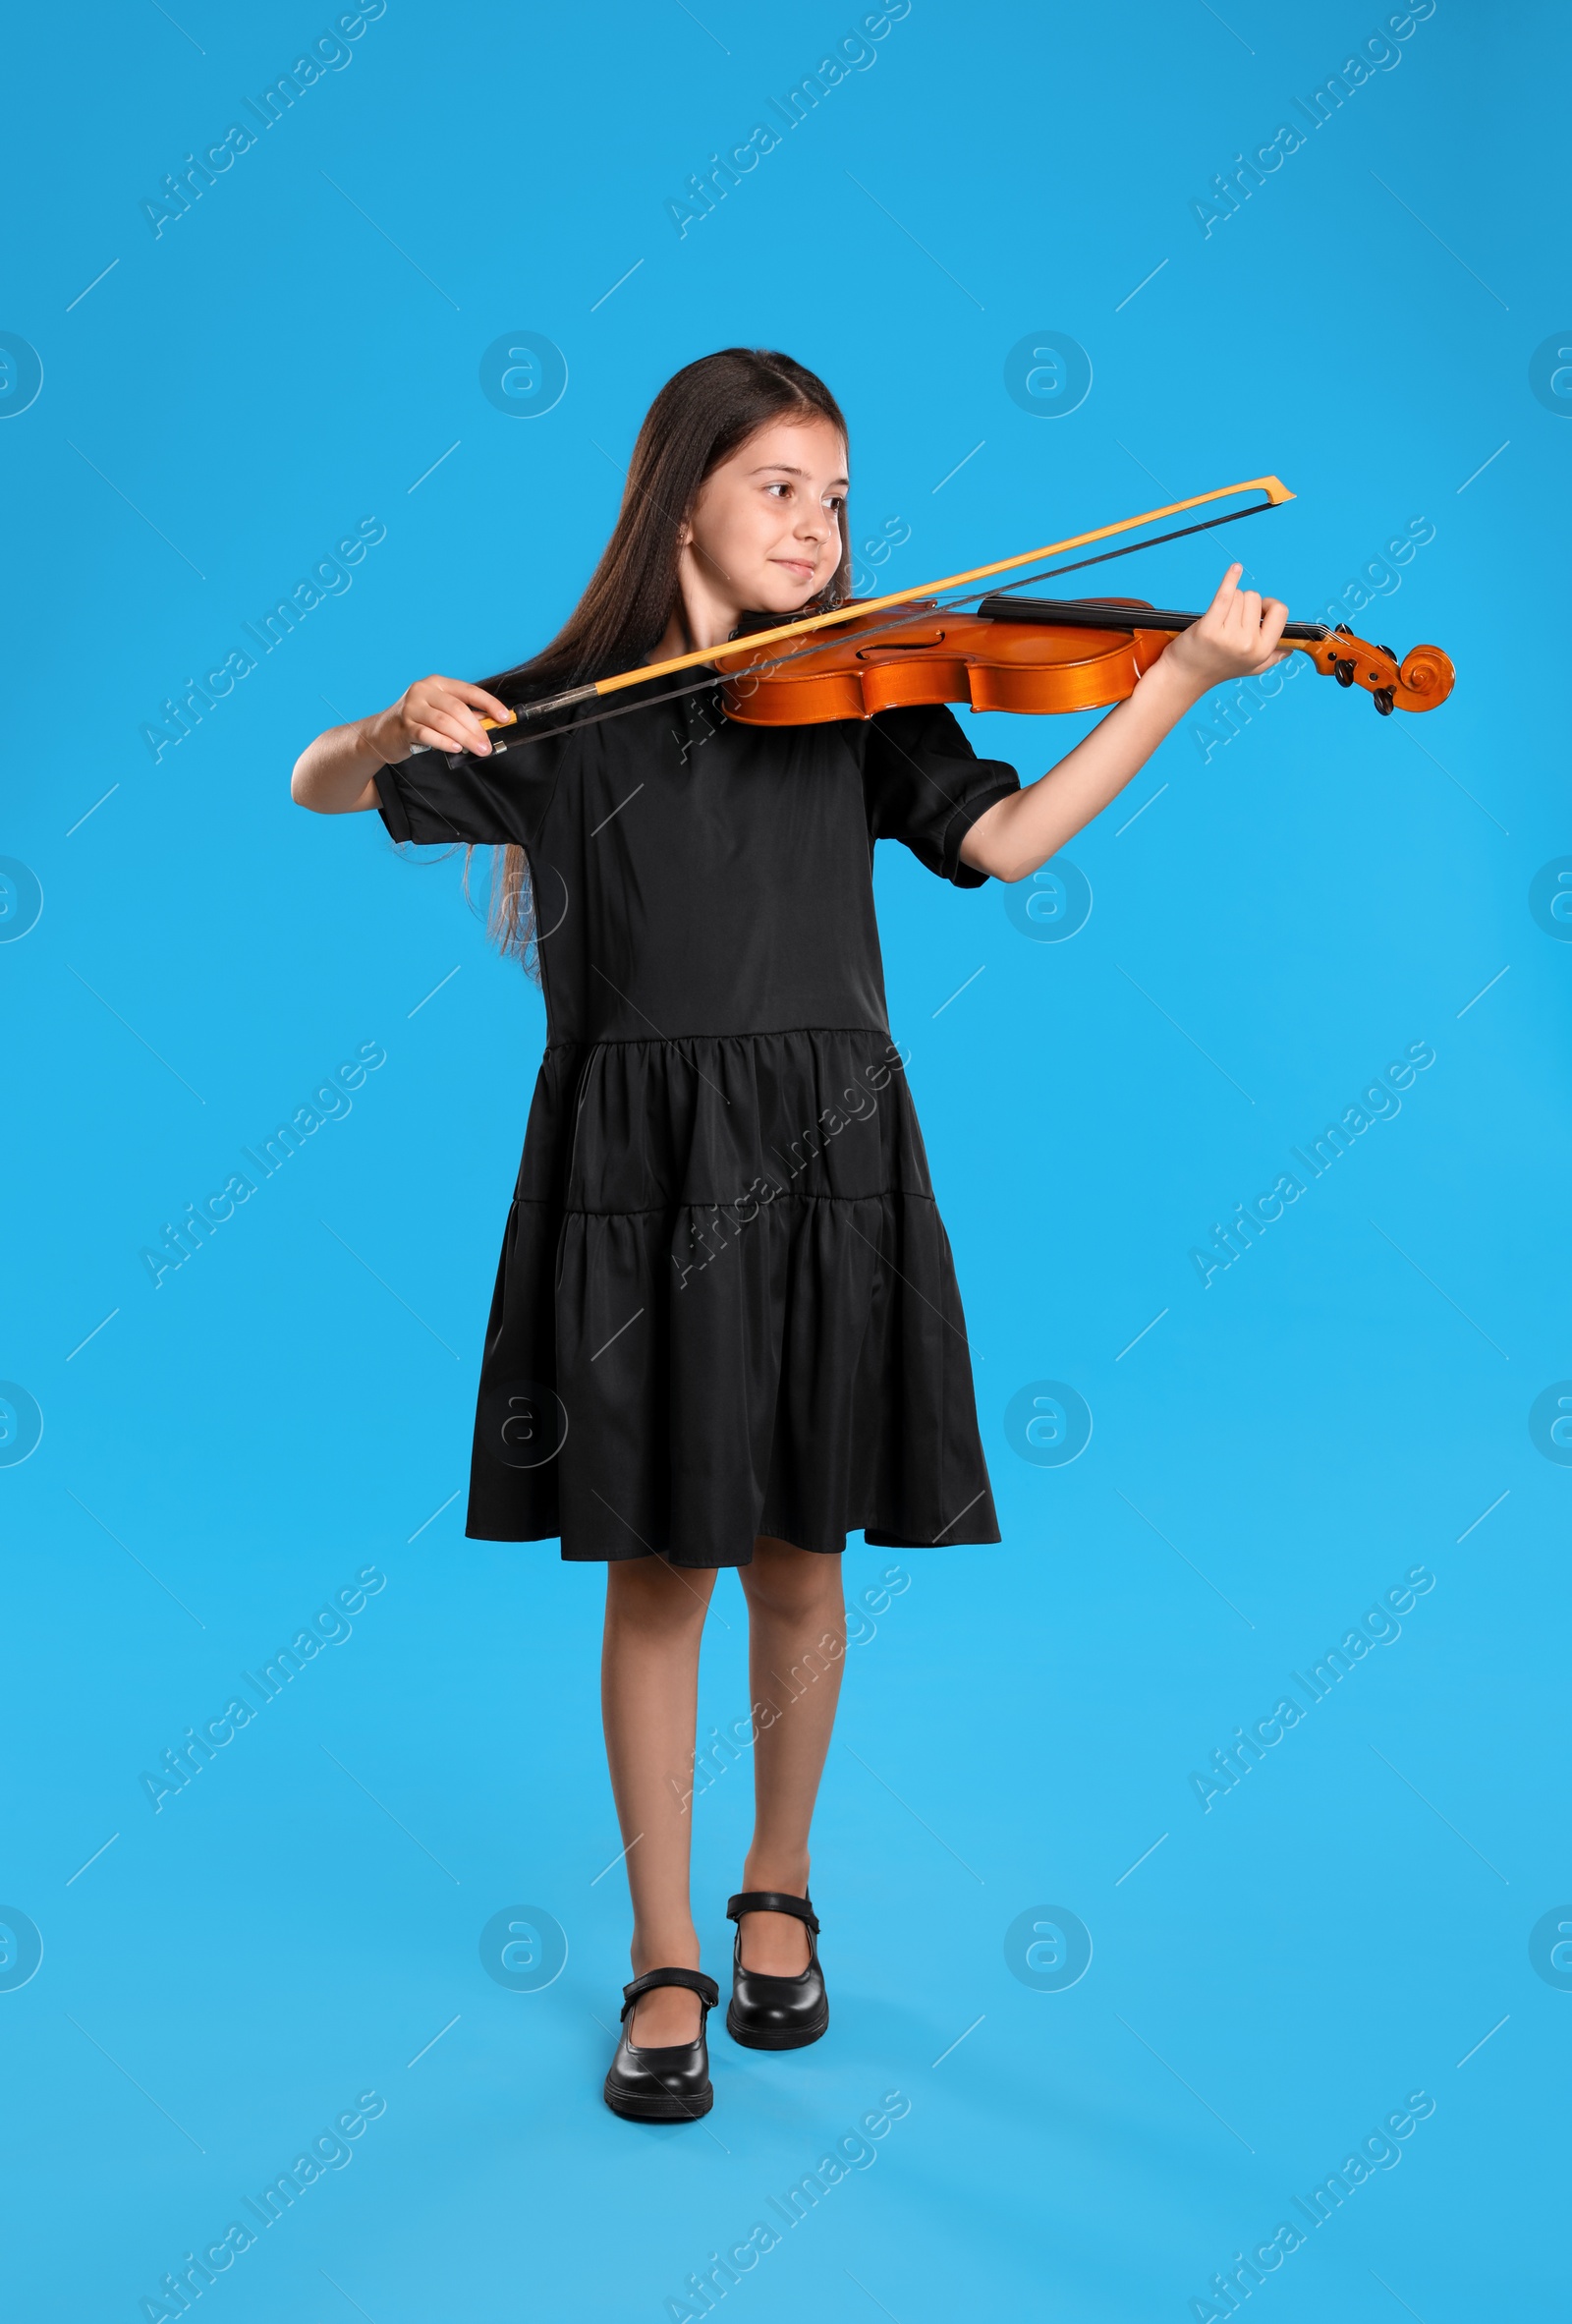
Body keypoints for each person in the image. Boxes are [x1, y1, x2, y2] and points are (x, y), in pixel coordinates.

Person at [291, 347, 1287, 2121]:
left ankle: (778, 1888)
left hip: (828, 1153)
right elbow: (316, 783)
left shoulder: (867, 694)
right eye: (779, 488)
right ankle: (662, 1947)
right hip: (635, 1163)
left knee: (801, 1553)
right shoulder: (560, 710)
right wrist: (391, 723)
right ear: (682, 492)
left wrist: (1185, 681)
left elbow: (1017, 832)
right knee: (657, 1562)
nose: (820, 527)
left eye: (836, 495)